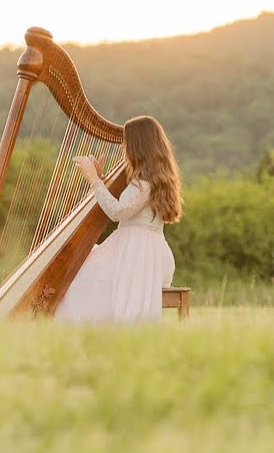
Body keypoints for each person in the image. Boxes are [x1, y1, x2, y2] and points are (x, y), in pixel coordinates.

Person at [53, 115, 183, 323]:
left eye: (125, 143)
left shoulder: (143, 183)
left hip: (137, 256)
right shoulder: (152, 180)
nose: (123, 149)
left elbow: (117, 211)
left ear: (137, 146)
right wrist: (102, 180)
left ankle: (84, 334)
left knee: (82, 280)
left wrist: (94, 180)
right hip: (147, 252)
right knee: (86, 274)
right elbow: (127, 206)